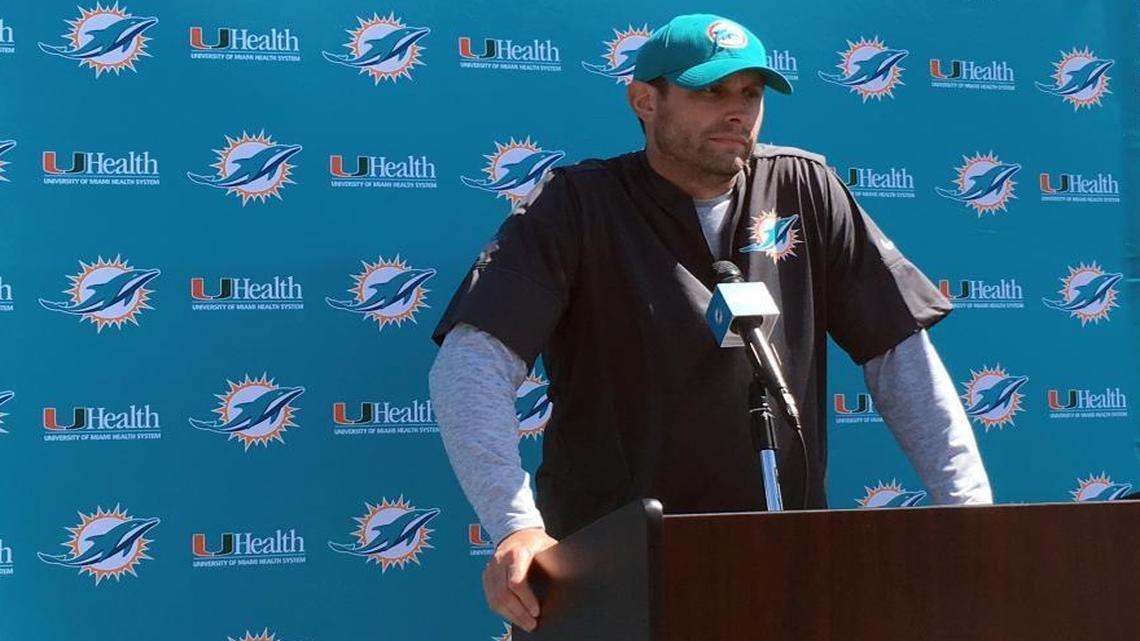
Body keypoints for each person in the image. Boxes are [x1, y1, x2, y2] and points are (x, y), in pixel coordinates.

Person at [429, 13, 992, 633]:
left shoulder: (806, 187)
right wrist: (516, 527)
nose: (738, 112)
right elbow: (471, 364)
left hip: (784, 567)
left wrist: (971, 517)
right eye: (710, 92)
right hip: (612, 575)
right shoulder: (579, 204)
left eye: (750, 94)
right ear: (645, 100)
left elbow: (899, 356)